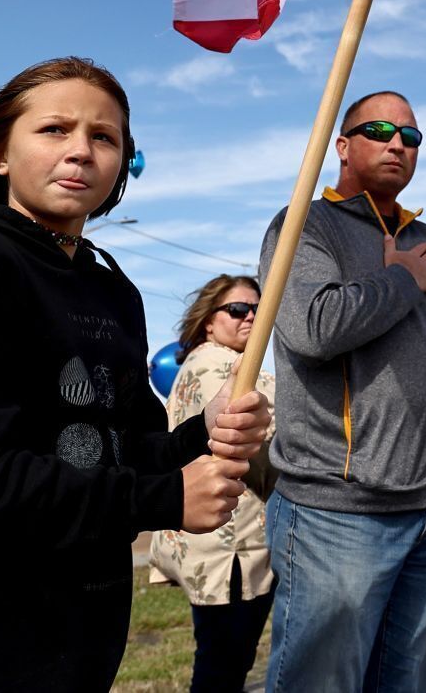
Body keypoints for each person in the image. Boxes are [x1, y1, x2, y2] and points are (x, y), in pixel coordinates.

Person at [0, 58, 270, 690]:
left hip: (83, 632)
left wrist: (203, 433)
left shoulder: (113, 289)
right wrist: (166, 499)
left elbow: (124, 449)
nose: (80, 151)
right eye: (54, 129)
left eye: (104, 137)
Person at [258, 90, 426, 691]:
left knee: (412, 684)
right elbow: (314, 330)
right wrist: (401, 279)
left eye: (411, 136)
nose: (398, 143)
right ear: (342, 146)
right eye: (379, 130)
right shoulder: (303, 225)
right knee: (321, 684)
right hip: (338, 515)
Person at [149, 274, 279, 692]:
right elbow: (280, 422)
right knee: (224, 664)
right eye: (238, 309)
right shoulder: (220, 365)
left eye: (258, 310)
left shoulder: (192, 362)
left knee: (220, 658)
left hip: (207, 541)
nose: (251, 317)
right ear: (209, 320)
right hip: (230, 548)